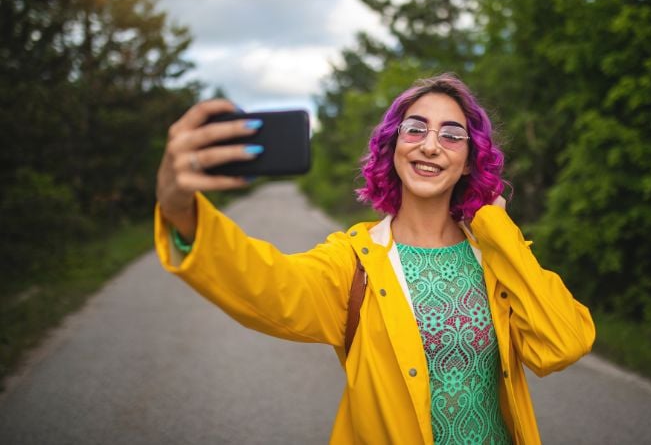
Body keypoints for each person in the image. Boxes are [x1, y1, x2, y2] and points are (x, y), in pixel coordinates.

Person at [154, 74, 595, 444]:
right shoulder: (354, 262)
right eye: (415, 129)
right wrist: (181, 212)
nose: (431, 145)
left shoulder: (495, 258)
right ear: (394, 147)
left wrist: (498, 230)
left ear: (467, 162)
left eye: (452, 135)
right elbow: (268, 284)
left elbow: (563, 343)